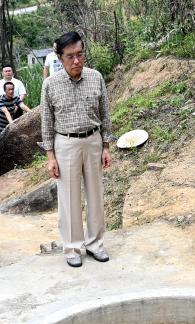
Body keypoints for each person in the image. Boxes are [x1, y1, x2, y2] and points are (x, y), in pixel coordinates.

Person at [39, 31, 113, 268]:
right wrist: (50, 155)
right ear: (60, 58)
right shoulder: (50, 84)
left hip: (93, 140)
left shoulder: (96, 77)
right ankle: (72, 247)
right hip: (65, 144)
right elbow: (46, 122)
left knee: (95, 195)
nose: (76, 61)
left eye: (80, 54)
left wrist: (106, 146)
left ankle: (95, 244)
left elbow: (105, 115)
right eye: (70, 56)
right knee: (68, 198)